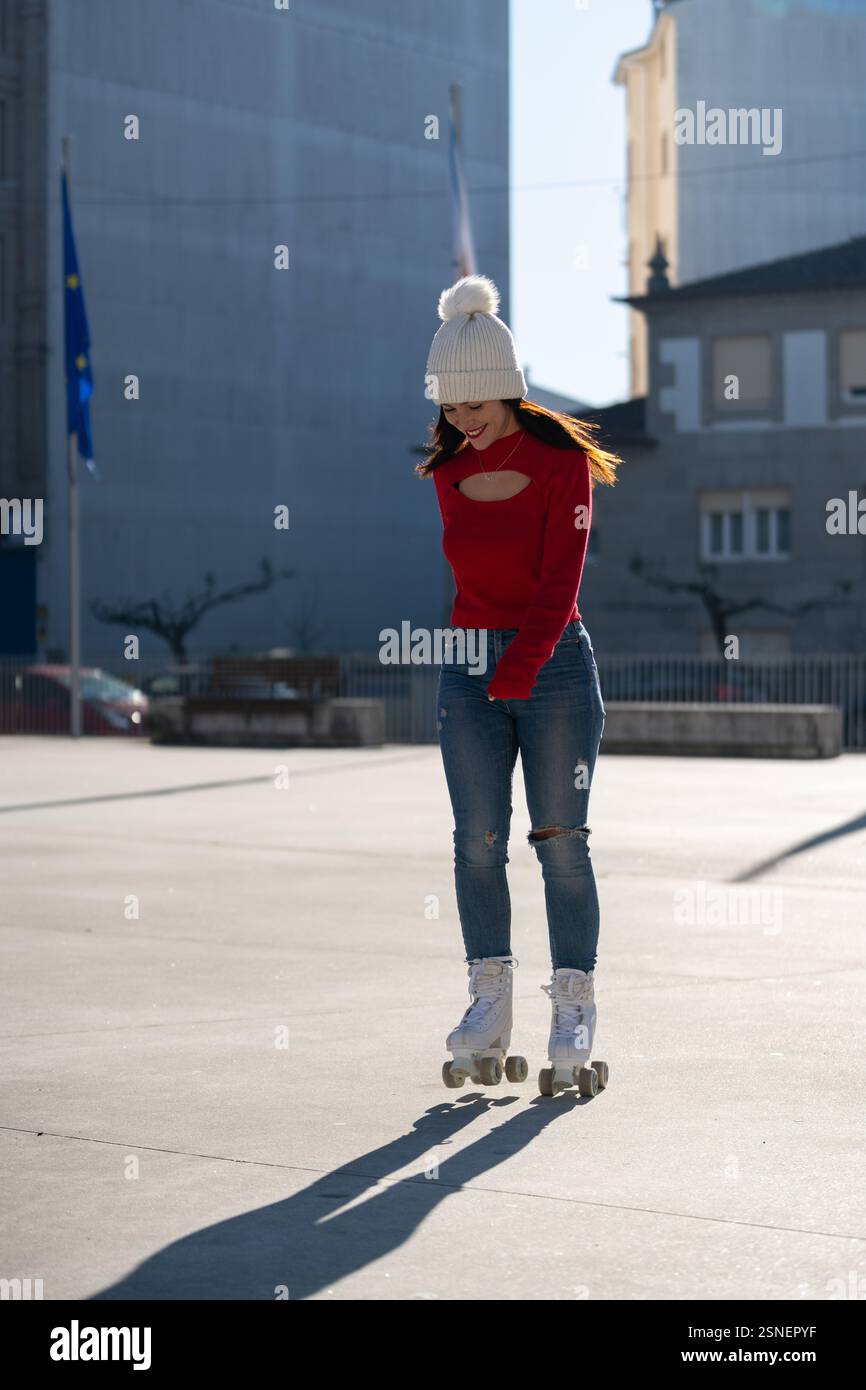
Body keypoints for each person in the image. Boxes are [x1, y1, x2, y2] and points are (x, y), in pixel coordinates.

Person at [417, 274, 622, 1096]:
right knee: (476, 842)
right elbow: (475, 586)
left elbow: (555, 586)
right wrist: (485, 669)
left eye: (477, 404)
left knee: (560, 842)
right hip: (468, 668)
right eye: (451, 406)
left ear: (507, 388)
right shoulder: (443, 469)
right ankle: (488, 1006)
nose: (464, 421)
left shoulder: (561, 463)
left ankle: (572, 1009)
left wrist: (519, 667)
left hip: (555, 665)